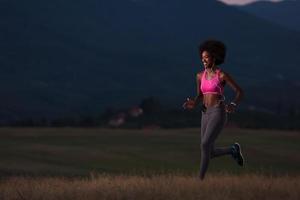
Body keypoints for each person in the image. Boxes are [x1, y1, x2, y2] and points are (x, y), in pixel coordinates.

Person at [183, 39, 244, 180]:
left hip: (218, 112)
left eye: (206, 57)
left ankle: (199, 180)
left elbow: (240, 92)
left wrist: (233, 104)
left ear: (214, 58)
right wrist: (193, 103)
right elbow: (200, 95)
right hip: (205, 113)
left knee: (204, 144)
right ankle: (232, 150)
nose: (203, 60)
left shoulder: (221, 75)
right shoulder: (199, 76)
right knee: (208, 151)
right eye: (202, 58)